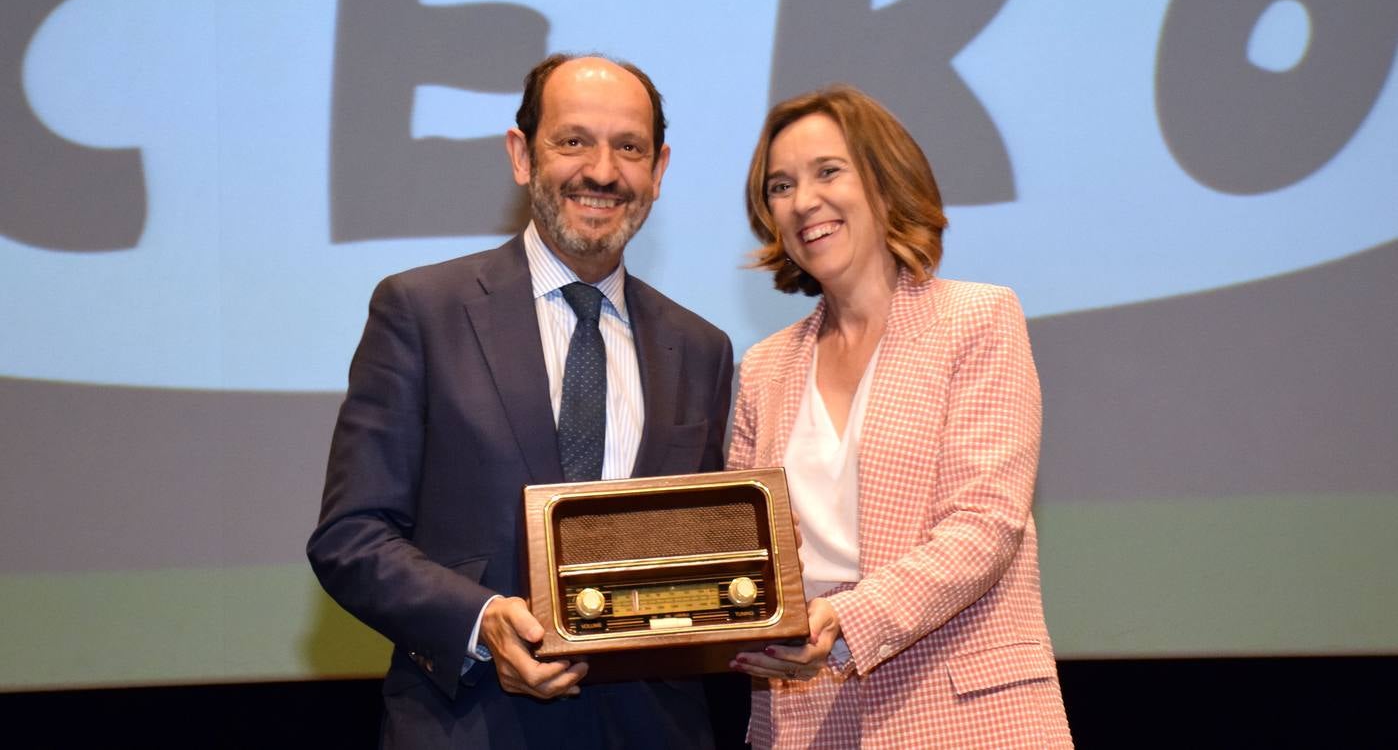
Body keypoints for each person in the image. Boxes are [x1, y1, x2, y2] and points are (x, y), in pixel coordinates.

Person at [308, 54, 736, 748]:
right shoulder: (421, 312)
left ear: (658, 171)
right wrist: (481, 621)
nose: (601, 171)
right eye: (573, 141)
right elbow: (350, 538)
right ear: (521, 155)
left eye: (628, 148)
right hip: (472, 724)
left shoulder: (701, 349)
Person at [727, 86, 1073, 748]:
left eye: (828, 171)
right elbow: (746, 554)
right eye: (780, 186)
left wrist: (842, 624)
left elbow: (983, 529)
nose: (803, 202)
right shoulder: (764, 368)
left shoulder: (977, 319)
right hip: (803, 724)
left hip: (966, 718)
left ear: (885, 181)